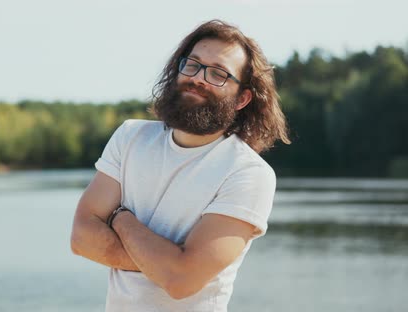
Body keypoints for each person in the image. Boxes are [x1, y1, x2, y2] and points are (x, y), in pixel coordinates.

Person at [70, 19, 290, 312]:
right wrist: (167, 263)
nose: (199, 78)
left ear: (242, 98)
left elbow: (181, 281)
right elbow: (82, 238)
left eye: (218, 74)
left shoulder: (249, 174)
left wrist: (121, 219)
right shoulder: (130, 137)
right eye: (193, 65)